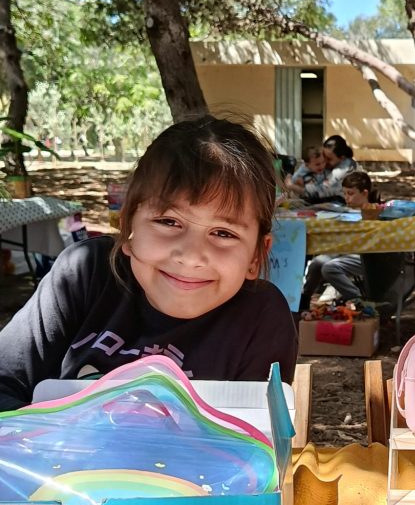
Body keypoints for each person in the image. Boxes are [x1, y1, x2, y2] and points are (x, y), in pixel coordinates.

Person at [0, 116, 298, 410]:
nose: (191, 256)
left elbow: (252, 434)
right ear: (128, 227)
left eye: (223, 233)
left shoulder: (261, 318)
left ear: (255, 255)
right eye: (169, 221)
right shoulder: (84, 274)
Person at [299, 170, 375, 309]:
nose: (347, 198)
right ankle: (304, 298)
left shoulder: (373, 212)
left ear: (364, 193)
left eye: (351, 194)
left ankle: (357, 299)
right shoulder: (345, 212)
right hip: (344, 251)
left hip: (365, 256)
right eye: (344, 193)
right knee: (317, 263)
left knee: (329, 268)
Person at [303, 134, 358, 202]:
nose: (324, 161)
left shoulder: (343, 168)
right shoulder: (330, 165)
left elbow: (323, 189)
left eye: (329, 159)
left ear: (342, 158)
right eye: (324, 156)